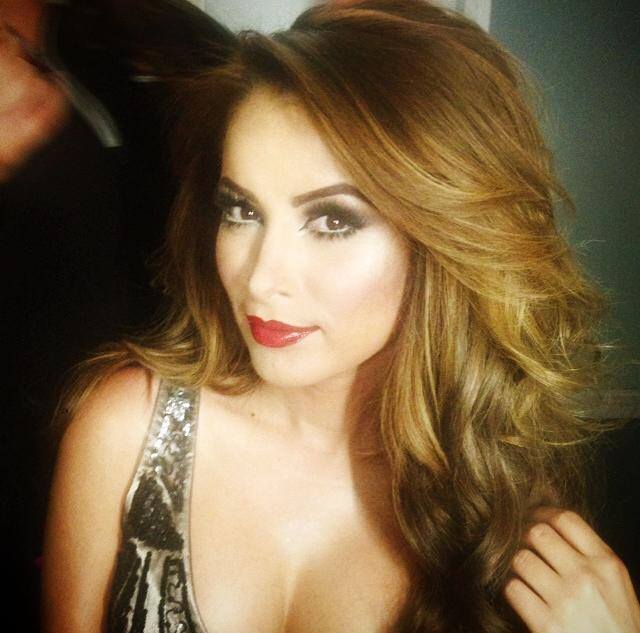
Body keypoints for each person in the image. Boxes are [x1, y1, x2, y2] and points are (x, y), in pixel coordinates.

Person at [42, 0, 640, 631]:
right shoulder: (128, 431)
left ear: (442, 240)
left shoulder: (502, 510)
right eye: (242, 210)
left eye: (332, 220)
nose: (261, 279)